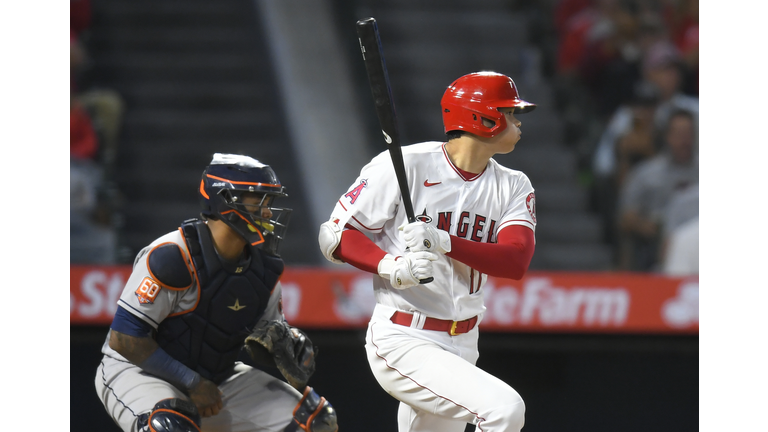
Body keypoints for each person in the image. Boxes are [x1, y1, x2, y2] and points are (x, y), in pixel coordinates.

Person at [318, 72, 537, 432]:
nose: (516, 121)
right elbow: (336, 236)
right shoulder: (405, 165)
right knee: (504, 410)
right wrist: (392, 267)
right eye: (509, 112)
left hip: (465, 339)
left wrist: (444, 240)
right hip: (405, 335)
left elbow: (515, 261)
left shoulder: (513, 184)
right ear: (481, 117)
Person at [95, 153, 338, 432]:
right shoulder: (173, 255)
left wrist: (286, 346)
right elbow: (124, 339)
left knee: (314, 422)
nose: (268, 212)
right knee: (168, 428)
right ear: (225, 200)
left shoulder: (264, 269)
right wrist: (193, 383)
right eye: (258, 200)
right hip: (137, 372)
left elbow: (264, 335)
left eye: (269, 202)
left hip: (214, 378)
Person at [617, 110, 698, 271]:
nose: (684, 140)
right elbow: (625, 216)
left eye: (688, 133)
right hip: (654, 242)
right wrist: (646, 227)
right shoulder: (645, 173)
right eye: (679, 134)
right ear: (667, 136)